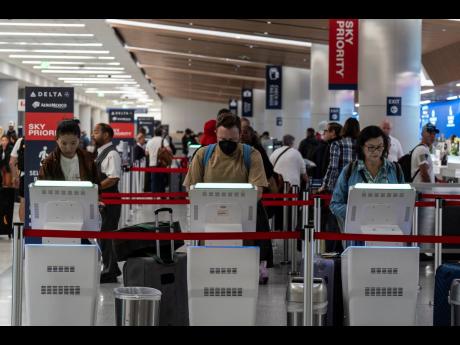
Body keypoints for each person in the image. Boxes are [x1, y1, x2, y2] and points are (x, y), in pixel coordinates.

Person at [183, 114, 270, 283]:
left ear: (240, 136)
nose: (227, 143)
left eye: (232, 139)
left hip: (243, 225)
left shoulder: (251, 155)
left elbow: (257, 192)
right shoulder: (203, 155)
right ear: (216, 134)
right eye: (222, 138)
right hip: (208, 224)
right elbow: (191, 189)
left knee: (241, 277)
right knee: (209, 274)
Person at [330, 125, 404, 244]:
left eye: (380, 147)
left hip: (389, 235)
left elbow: (403, 201)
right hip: (357, 238)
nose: (376, 151)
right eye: (371, 147)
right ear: (361, 147)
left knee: (389, 263)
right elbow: (335, 204)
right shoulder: (349, 171)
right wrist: (358, 212)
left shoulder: (395, 170)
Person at [92, 123, 123, 283]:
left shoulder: (111, 154)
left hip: (110, 200)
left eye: (96, 132)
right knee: (104, 236)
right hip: (103, 200)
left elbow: (113, 178)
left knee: (107, 234)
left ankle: (110, 271)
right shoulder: (100, 153)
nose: (93, 134)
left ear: (107, 135)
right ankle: (112, 268)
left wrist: (95, 188)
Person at [320, 117, 360, 193]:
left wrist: (325, 186)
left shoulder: (337, 144)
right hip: (356, 183)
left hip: (340, 184)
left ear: (345, 128)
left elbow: (333, 167)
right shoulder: (361, 145)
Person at [145, 127, 172, 192]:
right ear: (161, 133)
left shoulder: (150, 141)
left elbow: (146, 153)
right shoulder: (163, 140)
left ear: (154, 133)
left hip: (152, 163)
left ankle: (154, 196)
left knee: (153, 180)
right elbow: (169, 150)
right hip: (161, 163)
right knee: (161, 180)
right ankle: (162, 196)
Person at [0, 135, 14, 238]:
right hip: (1, 169)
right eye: (2, 140)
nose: (3, 142)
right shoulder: (0, 149)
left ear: (8, 141)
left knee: (7, 184)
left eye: (5, 140)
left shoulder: (11, 148)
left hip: (8, 170)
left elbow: (11, 161)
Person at [10, 136, 24, 223]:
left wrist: (15, 177)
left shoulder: (21, 140)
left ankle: (23, 231)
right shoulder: (52, 136)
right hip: (45, 177)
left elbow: (11, 162)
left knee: (23, 201)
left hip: (25, 175)